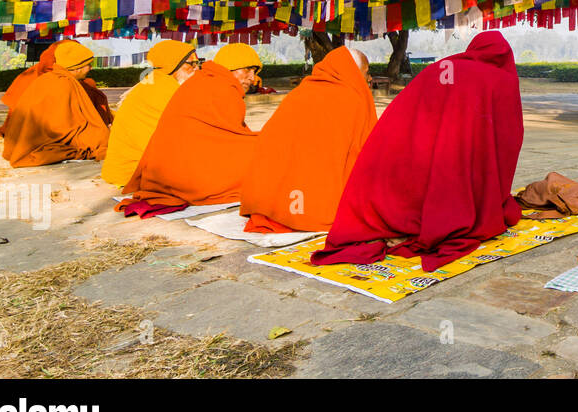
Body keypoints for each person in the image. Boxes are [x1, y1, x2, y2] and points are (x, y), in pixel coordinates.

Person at [311, 31, 523, 270]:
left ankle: (410, 221)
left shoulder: (444, 67)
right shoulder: (501, 79)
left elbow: (409, 112)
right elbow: (507, 141)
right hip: (455, 161)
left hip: (418, 161)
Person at [240, 47, 376, 233]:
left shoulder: (299, 93)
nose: (369, 79)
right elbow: (367, 156)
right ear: (351, 70)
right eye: (367, 72)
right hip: (318, 204)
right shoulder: (353, 99)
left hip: (269, 204)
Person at [117, 42, 262, 213]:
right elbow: (228, 144)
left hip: (160, 173)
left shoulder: (202, 81)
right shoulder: (219, 88)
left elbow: (222, 136)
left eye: (196, 64)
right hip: (176, 173)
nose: (253, 78)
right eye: (247, 70)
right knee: (267, 158)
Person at [100, 41, 201, 188]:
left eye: (198, 63)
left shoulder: (155, 81)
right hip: (137, 172)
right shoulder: (165, 89)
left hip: (122, 170)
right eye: (191, 63)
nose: (197, 68)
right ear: (173, 64)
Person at [0, 40, 112, 168]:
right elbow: (63, 127)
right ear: (76, 66)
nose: (91, 68)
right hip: (38, 142)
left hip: (19, 141)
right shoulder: (64, 83)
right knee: (102, 139)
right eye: (88, 64)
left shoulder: (48, 78)